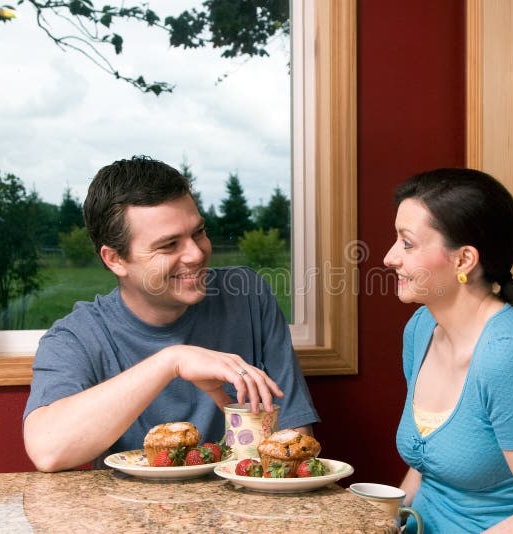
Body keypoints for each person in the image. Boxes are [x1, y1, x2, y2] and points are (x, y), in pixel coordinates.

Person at [23, 156, 319, 472]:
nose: (196, 253)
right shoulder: (77, 336)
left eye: (199, 232)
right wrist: (171, 361)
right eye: (168, 245)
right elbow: (47, 450)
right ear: (115, 259)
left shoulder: (246, 295)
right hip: (130, 515)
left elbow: (295, 438)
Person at [383, 168, 513, 533]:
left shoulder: (509, 356)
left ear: (464, 260)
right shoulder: (421, 329)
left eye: (407, 243)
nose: (390, 257)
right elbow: (426, 467)